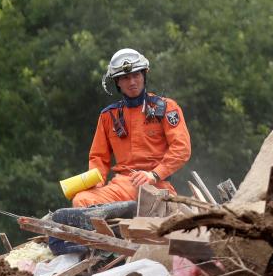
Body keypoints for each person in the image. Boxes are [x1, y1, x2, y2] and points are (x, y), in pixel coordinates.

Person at [71, 47, 192, 207]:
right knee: (81, 200)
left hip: (157, 186)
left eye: (136, 75)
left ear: (144, 75)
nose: (132, 82)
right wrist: (95, 185)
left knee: (155, 208)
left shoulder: (167, 107)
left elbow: (181, 148)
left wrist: (155, 174)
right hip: (121, 187)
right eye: (126, 78)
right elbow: (98, 158)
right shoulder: (108, 116)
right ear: (117, 82)